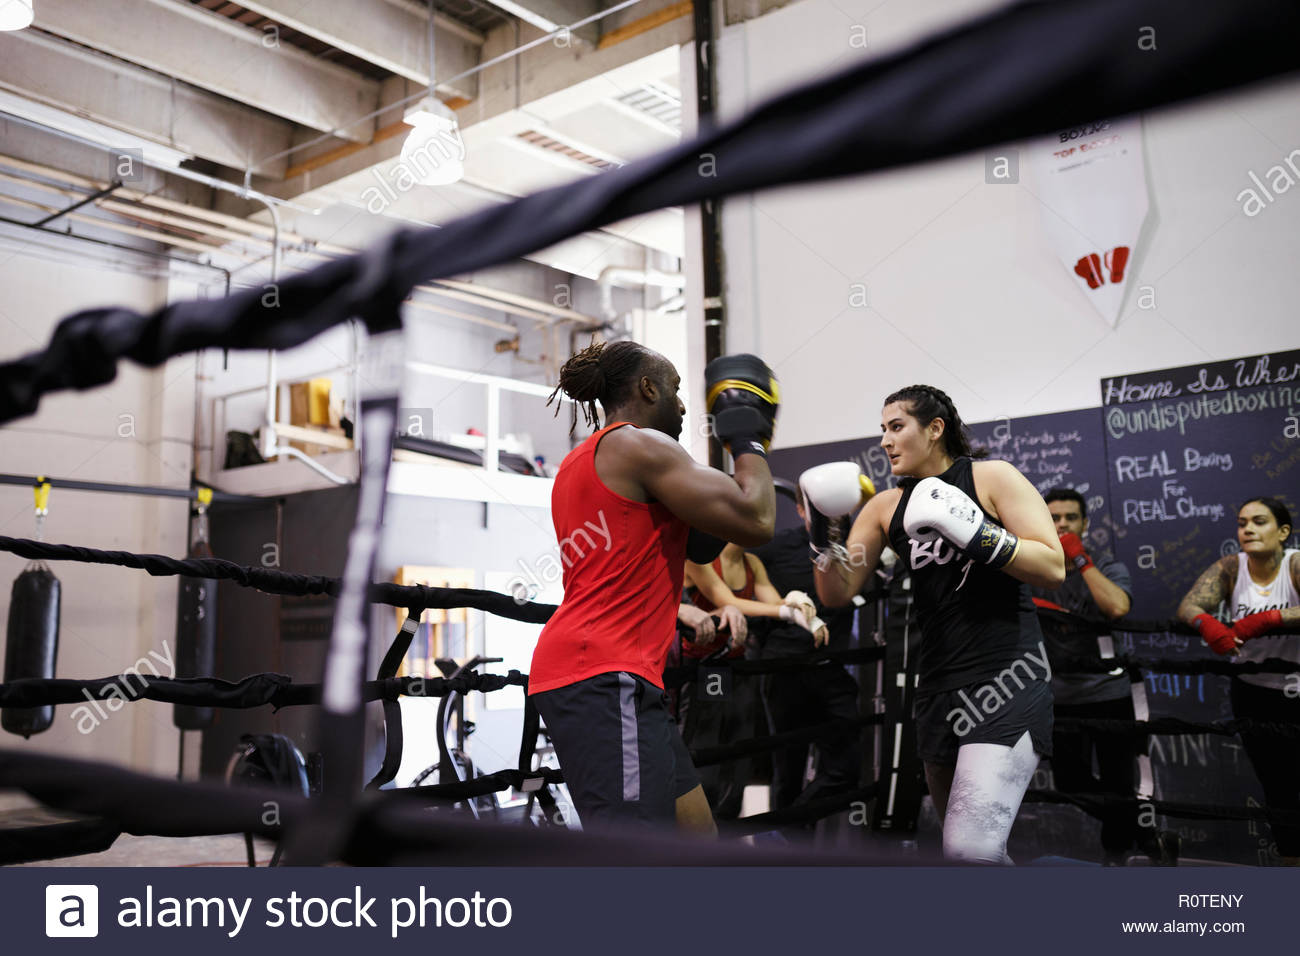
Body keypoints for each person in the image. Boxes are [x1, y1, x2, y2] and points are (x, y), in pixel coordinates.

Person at [804, 384, 1064, 863]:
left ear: (935, 429)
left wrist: (976, 532)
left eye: (896, 427)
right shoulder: (885, 508)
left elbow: (1052, 565)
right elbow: (837, 592)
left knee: (972, 850)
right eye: (881, 429)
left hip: (1007, 677)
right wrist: (823, 535)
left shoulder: (992, 478)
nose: (884, 441)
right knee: (965, 854)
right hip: (939, 686)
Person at [528, 339, 779, 834]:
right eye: (676, 390)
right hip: (603, 674)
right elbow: (758, 519)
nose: (684, 405)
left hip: (614, 677)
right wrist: (747, 436)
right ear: (648, 388)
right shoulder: (638, 445)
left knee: (696, 839)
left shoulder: (580, 462)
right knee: (635, 860)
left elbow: (704, 544)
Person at [1034, 488, 1176, 865]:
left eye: (1070, 518)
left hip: (1108, 692)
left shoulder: (1107, 566)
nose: (1062, 525)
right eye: (1054, 518)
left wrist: (1080, 559)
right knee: (1069, 782)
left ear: (1085, 523)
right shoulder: (1031, 571)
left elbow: (1116, 606)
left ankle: (1115, 857)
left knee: (1117, 782)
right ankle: (1147, 836)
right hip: (1059, 696)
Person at [1178, 496, 1300, 865]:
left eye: (1258, 522)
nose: (1247, 529)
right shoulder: (1232, 567)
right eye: (1242, 522)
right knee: (1278, 789)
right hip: (1255, 692)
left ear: (1282, 532)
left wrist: (1268, 620)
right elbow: (1188, 606)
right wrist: (1208, 624)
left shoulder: (1295, 563)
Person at [678, 543, 824, 818]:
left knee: (740, 748)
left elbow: (777, 603)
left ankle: (728, 834)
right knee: (705, 753)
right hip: (706, 666)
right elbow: (727, 602)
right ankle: (696, 835)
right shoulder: (700, 557)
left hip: (738, 663)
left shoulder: (752, 562)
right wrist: (787, 612)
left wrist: (801, 607)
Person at [748, 489, 863, 820]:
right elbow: (732, 575)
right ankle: (788, 853)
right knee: (789, 768)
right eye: (819, 508)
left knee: (846, 767)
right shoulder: (775, 547)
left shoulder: (856, 544)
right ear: (800, 510)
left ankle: (789, 829)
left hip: (831, 668)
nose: (830, 515)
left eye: (835, 506)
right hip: (785, 670)